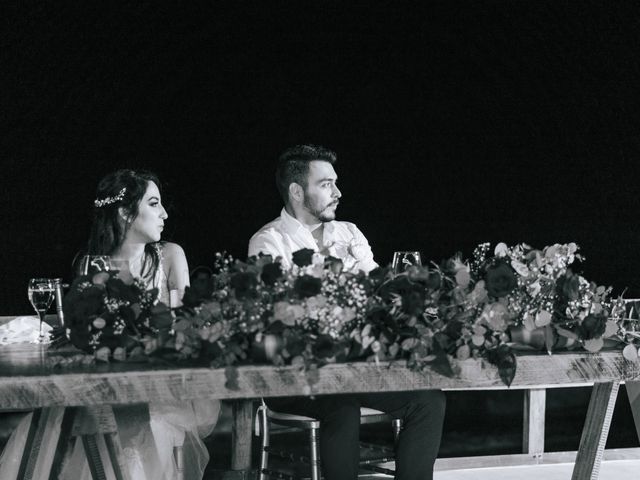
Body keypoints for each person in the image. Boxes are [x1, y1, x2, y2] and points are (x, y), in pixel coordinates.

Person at [0, 170, 220, 480]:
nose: (165, 214)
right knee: (57, 419)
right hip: (103, 382)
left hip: (157, 385)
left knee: (139, 428)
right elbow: (86, 329)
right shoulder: (91, 264)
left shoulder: (171, 256)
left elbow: (184, 325)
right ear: (126, 212)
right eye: (154, 204)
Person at [248, 145, 446, 480]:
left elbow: (380, 295)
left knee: (429, 399)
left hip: (355, 367)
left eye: (335, 183)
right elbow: (285, 315)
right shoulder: (268, 242)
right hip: (298, 373)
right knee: (340, 405)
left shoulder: (349, 232)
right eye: (326, 184)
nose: (338, 192)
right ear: (297, 191)